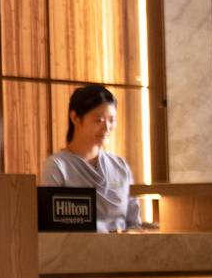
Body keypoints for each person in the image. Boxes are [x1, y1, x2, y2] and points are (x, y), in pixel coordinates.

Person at [39, 85, 147, 233]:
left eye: (112, 120)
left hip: (123, 251)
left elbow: (134, 222)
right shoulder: (57, 166)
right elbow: (52, 228)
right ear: (75, 118)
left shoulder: (120, 166)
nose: (107, 128)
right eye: (99, 120)